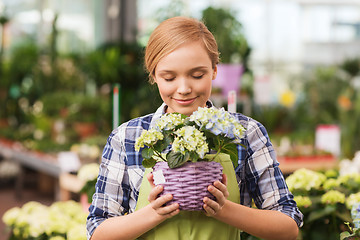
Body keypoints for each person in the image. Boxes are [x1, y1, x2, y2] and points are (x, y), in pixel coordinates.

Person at [86, 16, 303, 240]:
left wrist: (225, 209)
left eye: (197, 75)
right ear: (153, 76)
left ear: (214, 71)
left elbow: (287, 226)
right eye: (169, 78)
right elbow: (98, 231)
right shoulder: (128, 137)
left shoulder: (245, 133)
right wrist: (154, 212)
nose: (184, 88)